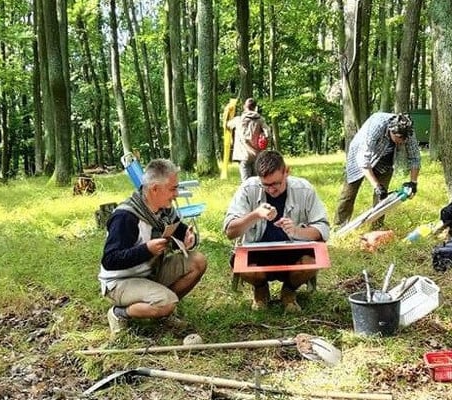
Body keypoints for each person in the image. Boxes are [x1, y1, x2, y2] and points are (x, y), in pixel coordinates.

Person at [99, 159, 207, 337]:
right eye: (173, 189)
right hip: (120, 282)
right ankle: (119, 313)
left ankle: (162, 313)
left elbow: (182, 232)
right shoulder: (126, 216)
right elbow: (110, 260)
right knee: (166, 302)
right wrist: (146, 250)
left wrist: (190, 239)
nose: (177, 194)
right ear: (155, 189)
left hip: (149, 272)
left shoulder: (164, 210)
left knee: (198, 261)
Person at [223, 150, 330, 313]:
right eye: (266, 185)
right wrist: (255, 215)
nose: (271, 190)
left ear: (287, 171)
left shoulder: (304, 189)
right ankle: (260, 289)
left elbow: (322, 230)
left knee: (315, 259)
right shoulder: (248, 188)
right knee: (240, 263)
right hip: (258, 252)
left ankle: (289, 290)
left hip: (294, 252)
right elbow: (230, 231)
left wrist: (296, 231)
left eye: (276, 183)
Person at [336, 112, 421, 228]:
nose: (402, 142)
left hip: (385, 158)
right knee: (348, 194)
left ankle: (377, 228)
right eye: (399, 138)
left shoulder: (407, 131)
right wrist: (376, 185)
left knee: (382, 198)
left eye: (405, 139)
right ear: (392, 131)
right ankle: (339, 226)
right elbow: (363, 160)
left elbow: (415, 157)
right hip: (360, 154)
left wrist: (413, 182)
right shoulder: (377, 125)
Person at [228, 98, 271, 182]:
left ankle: (248, 195)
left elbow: (228, 125)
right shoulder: (260, 120)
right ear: (255, 107)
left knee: (246, 183)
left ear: (245, 107)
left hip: (243, 155)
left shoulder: (238, 120)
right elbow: (268, 134)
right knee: (257, 181)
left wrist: (230, 111)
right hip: (257, 155)